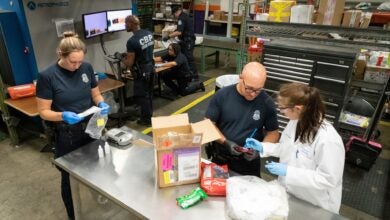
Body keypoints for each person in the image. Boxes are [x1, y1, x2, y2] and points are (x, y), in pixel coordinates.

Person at [36, 32, 110, 220]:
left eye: (79, 62)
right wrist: (62, 115)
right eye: (72, 62)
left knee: (95, 165)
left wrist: (101, 102)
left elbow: (95, 94)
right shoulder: (47, 76)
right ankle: (73, 215)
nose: (76, 66)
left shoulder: (86, 68)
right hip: (68, 134)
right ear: (61, 55)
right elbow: (43, 111)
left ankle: (98, 197)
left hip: (91, 128)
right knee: (68, 178)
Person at [245, 82, 345, 214]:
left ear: (297, 109)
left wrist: (289, 172)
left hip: (315, 204)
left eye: (283, 108)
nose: (281, 111)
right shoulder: (295, 122)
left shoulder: (328, 140)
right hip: (290, 194)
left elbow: (328, 179)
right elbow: (288, 148)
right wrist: (263, 147)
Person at [205, 62, 280, 177]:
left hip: (248, 164)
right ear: (241, 77)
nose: (253, 94)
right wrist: (225, 142)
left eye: (258, 90)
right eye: (249, 89)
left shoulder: (266, 102)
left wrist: (260, 148)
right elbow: (208, 124)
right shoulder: (222, 96)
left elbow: (273, 133)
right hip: (221, 159)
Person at [122, 15, 155, 126]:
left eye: (126, 23)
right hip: (151, 68)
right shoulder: (149, 34)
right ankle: (150, 115)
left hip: (142, 72)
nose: (125, 25)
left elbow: (129, 63)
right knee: (149, 93)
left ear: (131, 24)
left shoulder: (131, 41)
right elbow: (144, 50)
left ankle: (146, 120)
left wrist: (121, 58)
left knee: (142, 96)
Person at [163, 5, 198, 81]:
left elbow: (179, 32)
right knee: (184, 56)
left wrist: (168, 37)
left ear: (176, 12)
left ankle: (194, 76)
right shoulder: (184, 15)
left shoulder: (181, 18)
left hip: (188, 40)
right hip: (186, 40)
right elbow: (180, 29)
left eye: (174, 14)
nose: (175, 16)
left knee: (189, 58)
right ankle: (186, 74)